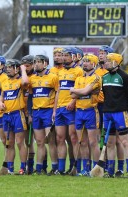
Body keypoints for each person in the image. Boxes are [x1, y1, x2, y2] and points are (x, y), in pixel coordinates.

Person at [102, 53, 128, 178]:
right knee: (110, 143)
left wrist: (125, 110)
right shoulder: (104, 78)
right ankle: (110, 171)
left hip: (120, 113)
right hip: (107, 114)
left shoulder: (125, 77)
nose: (106, 63)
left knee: (125, 142)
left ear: (116, 62)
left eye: (109, 61)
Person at [53, 47, 84, 175]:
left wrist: (73, 101)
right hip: (60, 109)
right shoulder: (60, 72)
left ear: (73, 57)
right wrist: (55, 110)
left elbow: (81, 89)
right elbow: (58, 91)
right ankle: (60, 169)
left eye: (66, 55)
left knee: (73, 138)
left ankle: (75, 167)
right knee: (60, 138)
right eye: (63, 55)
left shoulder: (78, 71)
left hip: (71, 108)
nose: (64, 57)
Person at [70, 54, 101, 176]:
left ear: (93, 64)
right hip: (79, 112)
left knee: (93, 142)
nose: (85, 63)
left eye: (88, 61)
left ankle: (96, 169)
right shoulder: (79, 78)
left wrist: (76, 90)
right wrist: (79, 92)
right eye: (84, 61)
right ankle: (85, 169)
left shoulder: (96, 78)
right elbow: (73, 96)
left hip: (91, 111)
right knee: (81, 142)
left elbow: (83, 91)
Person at [27, 55, 59, 175]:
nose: (36, 64)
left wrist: (54, 111)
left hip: (48, 111)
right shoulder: (32, 79)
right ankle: (39, 168)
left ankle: (55, 167)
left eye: (39, 62)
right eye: (35, 62)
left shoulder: (53, 77)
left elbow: (58, 94)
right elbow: (30, 97)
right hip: (36, 112)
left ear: (45, 64)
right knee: (39, 142)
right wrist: (30, 113)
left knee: (50, 141)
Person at [0, 59, 28, 175]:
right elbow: (2, 96)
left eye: (11, 67)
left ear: (16, 68)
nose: (8, 69)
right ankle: (10, 169)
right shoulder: (5, 82)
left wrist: (23, 69)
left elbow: (26, 82)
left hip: (18, 114)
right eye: (7, 67)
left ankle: (22, 168)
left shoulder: (20, 80)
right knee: (9, 143)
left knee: (20, 142)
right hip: (6, 115)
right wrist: (0, 103)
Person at [21, 54, 36, 174]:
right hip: (23, 113)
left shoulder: (36, 76)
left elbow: (30, 96)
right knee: (27, 141)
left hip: (35, 112)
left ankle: (42, 166)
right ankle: (28, 167)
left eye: (28, 66)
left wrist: (30, 113)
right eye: (24, 66)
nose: (26, 68)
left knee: (40, 141)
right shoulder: (21, 76)